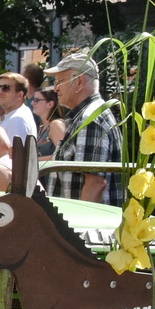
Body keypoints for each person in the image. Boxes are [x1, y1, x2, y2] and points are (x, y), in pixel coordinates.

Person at [42, 53, 125, 205]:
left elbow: (95, 184)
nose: (55, 89)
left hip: (83, 224)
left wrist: (81, 227)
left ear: (79, 81)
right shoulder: (85, 115)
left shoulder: (90, 118)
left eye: (59, 81)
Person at [0, 71, 38, 147]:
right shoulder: (18, 114)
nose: (0, 92)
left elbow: (15, 155)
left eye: (6, 88)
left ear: (19, 95)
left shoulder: (17, 119)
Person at [32, 87, 63, 158]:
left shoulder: (56, 124)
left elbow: (63, 155)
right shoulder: (42, 126)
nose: (32, 103)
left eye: (36, 100)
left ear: (50, 104)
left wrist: (34, 161)